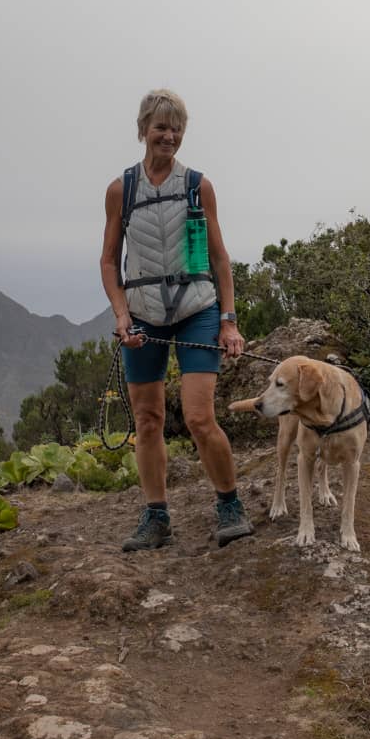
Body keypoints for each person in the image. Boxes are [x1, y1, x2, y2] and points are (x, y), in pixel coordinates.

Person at [99, 90, 254, 551]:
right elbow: (109, 262)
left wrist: (228, 321)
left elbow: (219, 259)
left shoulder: (197, 187)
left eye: (177, 128)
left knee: (200, 417)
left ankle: (230, 504)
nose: (170, 136)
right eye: (162, 127)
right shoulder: (121, 191)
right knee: (148, 420)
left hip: (197, 311)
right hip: (143, 319)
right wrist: (122, 316)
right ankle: (156, 517)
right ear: (144, 129)